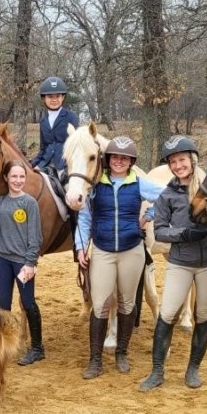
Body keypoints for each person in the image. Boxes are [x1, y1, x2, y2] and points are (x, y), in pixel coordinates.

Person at [138, 136, 207, 392]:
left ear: (192, 160)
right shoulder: (167, 195)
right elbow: (159, 231)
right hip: (181, 261)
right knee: (168, 313)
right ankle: (157, 370)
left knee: (204, 314)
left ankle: (193, 368)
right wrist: (182, 235)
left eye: (182, 160)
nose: (178, 165)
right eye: (173, 162)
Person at [75, 136, 164, 380]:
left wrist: (148, 217)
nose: (119, 161)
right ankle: (95, 359)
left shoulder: (139, 183)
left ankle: (122, 353)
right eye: (115, 157)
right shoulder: (95, 186)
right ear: (108, 159)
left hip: (131, 250)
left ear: (131, 161)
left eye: (124, 158)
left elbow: (167, 196)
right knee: (101, 303)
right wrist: (81, 247)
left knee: (127, 303)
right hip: (103, 250)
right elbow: (84, 219)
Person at [0, 161, 44, 365]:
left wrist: (30, 262)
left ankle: (37, 347)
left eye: (22, 177)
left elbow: (35, 237)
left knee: (28, 303)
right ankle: (3, 343)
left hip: (22, 262)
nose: (18, 180)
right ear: (6, 178)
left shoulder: (29, 203)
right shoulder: (0, 201)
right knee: (3, 304)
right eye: (14, 176)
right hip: (3, 259)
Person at [30, 76, 79, 180]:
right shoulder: (43, 120)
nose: (54, 100)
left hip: (64, 165)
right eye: (50, 97)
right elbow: (44, 148)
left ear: (63, 97)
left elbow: (74, 145)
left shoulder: (71, 117)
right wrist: (32, 164)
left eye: (57, 96)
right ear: (44, 98)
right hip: (45, 164)